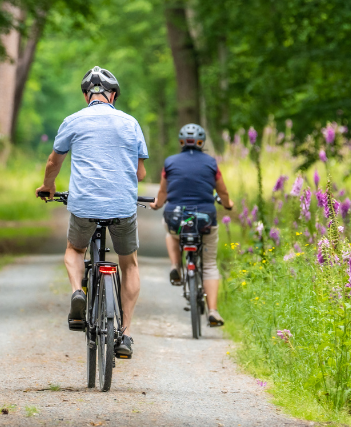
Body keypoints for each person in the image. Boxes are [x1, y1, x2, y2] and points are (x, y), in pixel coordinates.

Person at [35, 66, 148, 357]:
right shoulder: (130, 123)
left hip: (84, 204)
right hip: (122, 205)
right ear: (113, 96)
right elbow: (141, 172)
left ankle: (78, 292)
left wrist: (48, 186)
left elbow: (53, 162)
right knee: (130, 263)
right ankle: (125, 335)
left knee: (74, 250)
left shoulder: (73, 121)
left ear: (87, 95)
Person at [149, 123, 233, 327]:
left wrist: (157, 204)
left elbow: (163, 192)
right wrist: (228, 204)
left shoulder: (170, 162)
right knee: (210, 264)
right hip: (205, 219)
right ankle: (213, 311)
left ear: (181, 142)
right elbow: (222, 192)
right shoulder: (211, 163)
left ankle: (176, 265)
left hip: (176, 217)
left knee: (169, 230)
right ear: (201, 142)